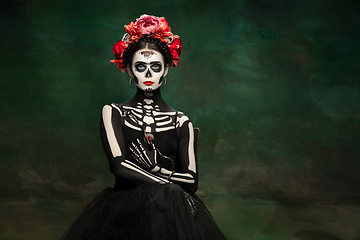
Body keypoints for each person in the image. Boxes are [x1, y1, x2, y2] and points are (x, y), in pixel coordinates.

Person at [60, 14, 226, 240]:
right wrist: (167, 185)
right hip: (125, 208)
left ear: (165, 70)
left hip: (171, 208)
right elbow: (119, 166)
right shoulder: (114, 111)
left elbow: (192, 181)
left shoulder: (180, 121)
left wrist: (158, 169)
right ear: (130, 70)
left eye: (155, 66)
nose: (148, 74)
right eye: (141, 66)